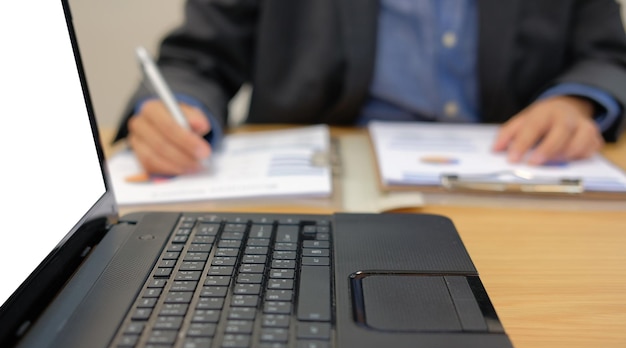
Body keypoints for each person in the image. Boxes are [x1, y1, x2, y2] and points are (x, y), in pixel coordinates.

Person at [116, 0, 626, 176]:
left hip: (516, 181)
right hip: (318, 193)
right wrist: (174, 110)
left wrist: (576, 100)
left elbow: (606, 55)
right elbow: (197, 59)